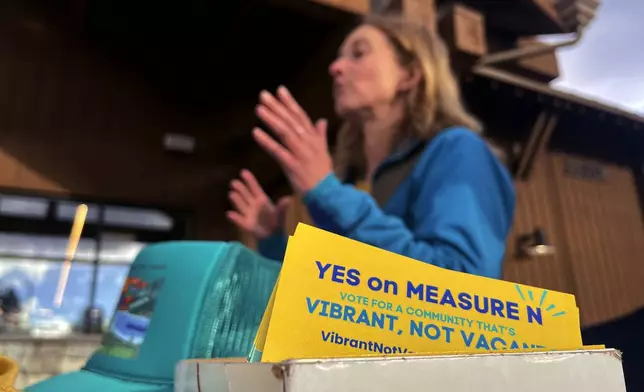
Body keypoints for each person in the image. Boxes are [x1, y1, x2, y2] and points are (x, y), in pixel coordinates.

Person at [226, 14, 515, 279]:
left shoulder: (458, 151)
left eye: (359, 54)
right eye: (339, 58)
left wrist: (328, 193)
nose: (335, 67)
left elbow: (466, 284)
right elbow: (336, 289)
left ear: (410, 75)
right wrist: (274, 242)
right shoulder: (353, 182)